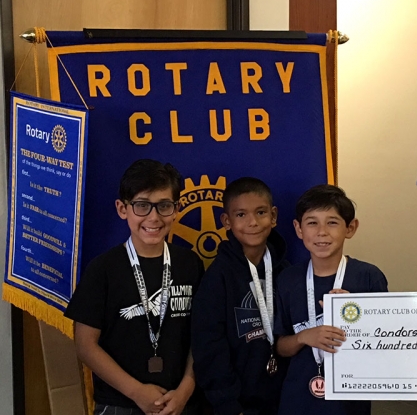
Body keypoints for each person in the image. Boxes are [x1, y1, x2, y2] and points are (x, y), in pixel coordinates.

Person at [65, 159, 204, 415]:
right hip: (120, 403)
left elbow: (203, 336)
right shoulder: (103, 269)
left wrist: (186, 389)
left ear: (177, 209)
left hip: (182, 401)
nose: (153, 217)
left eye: (163, 206)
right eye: (141, 206)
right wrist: (136, 392)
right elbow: (85, 345)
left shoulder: (190, 263)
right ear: (122, 208)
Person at [274, 185, 388, 415]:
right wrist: (305, 336)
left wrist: (359, 315)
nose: (322, 232)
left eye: (332, 222)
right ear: (298, 228)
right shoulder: (288, 279)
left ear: (350, 227)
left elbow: (385, 346)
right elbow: (280, 348)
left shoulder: (368, 277)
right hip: (297, 400)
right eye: (312, 222)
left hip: (350, 402)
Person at [191, 177, 289, 415]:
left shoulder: (287, 272)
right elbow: (209, 346)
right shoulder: (217, 278)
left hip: (283, 398)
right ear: (226, 221)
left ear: (273, 217)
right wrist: (228, 404)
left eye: (261, 212)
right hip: (236, 405)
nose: (253, 222)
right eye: (241, 215)